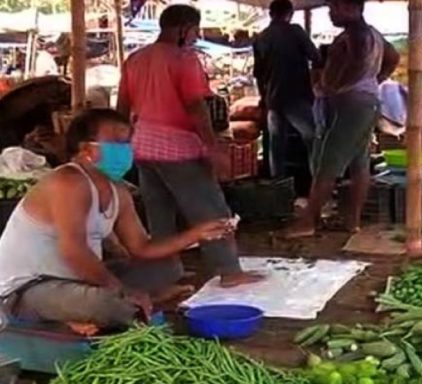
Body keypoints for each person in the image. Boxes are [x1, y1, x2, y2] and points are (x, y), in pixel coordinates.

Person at [0, 109, 235, 330]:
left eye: (127, 141)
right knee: (107, 305)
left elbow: (141, 247)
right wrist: (122, 290)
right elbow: (74, 251)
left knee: (168, 267)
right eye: (117, 142)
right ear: (87, 150)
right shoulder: (68, 182)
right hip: (27, 289)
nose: (125, 149)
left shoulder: (118, 191)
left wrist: (197, 234)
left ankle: (131, 302)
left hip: (76, 279)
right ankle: (120, 306)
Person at [117, 4, 258, 288]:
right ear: (183, 29)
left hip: (143, 146)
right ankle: (229, 271)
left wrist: (122, 143)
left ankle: (165, 274)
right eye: (195, 30)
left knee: (160, 214)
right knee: (209, 208)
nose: (196, 36)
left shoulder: (136, 58)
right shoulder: (184, 58)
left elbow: (122, 107)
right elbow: (196, 107)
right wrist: (213, 148)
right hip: (178, 148)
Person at [284, 0, 399, 237]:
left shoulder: (357, 34)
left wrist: (334, 85)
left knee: (328, 162)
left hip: (351, 103)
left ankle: (308, 222)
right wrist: (373, 80)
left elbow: (358, 62)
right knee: (359, 163)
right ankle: (352, 221)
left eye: (334, 8)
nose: (331, 14)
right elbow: (393, 57)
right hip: (364, 102)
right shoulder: (372, 34)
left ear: (351, 7)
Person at [253, 0, 319, 179]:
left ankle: (278, 186)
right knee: (314, 138)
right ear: (290, 14)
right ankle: (319, 184)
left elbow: (258, 74)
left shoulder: (261, 37)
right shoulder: (296, 31)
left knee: (276, 146)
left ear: (271, 14)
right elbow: (316, 57)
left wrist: (263, 98)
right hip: (296, 95)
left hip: (273, 99)